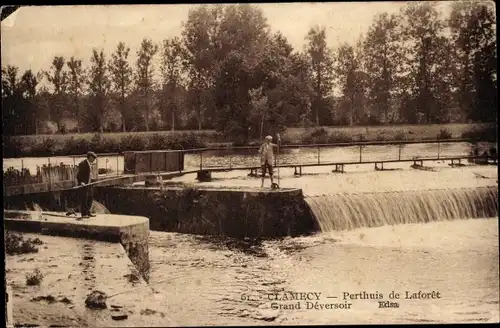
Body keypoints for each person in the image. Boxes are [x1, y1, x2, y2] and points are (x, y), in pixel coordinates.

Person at [76, 151, 97, 218]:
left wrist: (93, 179)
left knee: (90, 198)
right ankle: (84, 214)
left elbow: (89, 174)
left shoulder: (89, 164)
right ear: (90, 157)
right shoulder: (83, 163)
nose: (94, 160)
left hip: (89, 184)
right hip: (84, 184)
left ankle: (88, 212)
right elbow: (79, 175)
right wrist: (81, 182)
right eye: (93, 158)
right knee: (84, 199)